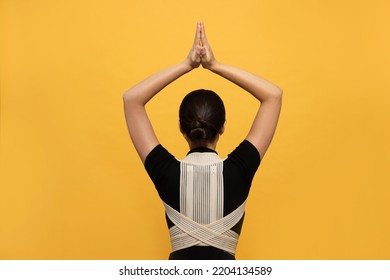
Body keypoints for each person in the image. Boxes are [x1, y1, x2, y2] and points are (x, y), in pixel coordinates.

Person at [123, 22, 283, 259]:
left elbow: (131, 100)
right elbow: (273, 95)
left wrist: (187, 65)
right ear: (223, 127)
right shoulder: (239, 170)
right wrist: (214, 65)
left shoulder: (166, 172)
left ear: (181, 128)